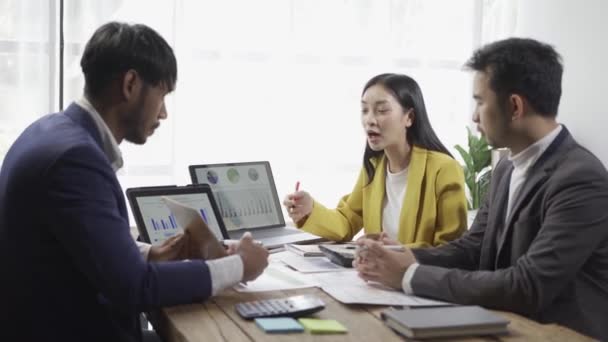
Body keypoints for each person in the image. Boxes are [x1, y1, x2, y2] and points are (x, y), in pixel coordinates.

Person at [0, 22, 268, 342]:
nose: (164, 113)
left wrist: (147, 254)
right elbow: (135, 287)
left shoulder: (50, 131)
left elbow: (72, 247)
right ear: (130, 84)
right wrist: (240, 266)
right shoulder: (75, 159)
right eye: (162, 95)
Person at [354, 38, 608, 340]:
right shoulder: (505, 168)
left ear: (514, 106)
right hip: (500, 325)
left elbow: (527, 285)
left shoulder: (580, 178)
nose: (474, 116)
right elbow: (473, 248)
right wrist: (405, 255)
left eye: (480, 102)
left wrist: (409, 275)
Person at [283, 73, 467, 247]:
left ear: (409, 117)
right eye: (364, 110)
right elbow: (347, 222)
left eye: (381, 110)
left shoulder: (444, 169)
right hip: (374, 278)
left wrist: (397, 252)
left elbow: (451, 249)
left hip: (418, 279)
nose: (369, 120)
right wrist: (309, 210)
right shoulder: (374, 167)